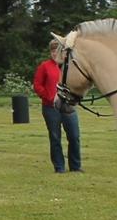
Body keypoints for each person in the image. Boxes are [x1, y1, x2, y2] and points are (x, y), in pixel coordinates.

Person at [32, 39, 82, 173]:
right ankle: (59, 167)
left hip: (68, 106)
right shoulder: (45, 66)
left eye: (58, 51)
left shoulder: (70, 66)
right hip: (51, 107)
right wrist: (48, 96)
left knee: (74, 136)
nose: (55, 54)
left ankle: (75, 166)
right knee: (55, 137)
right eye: (53, 51)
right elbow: (37, 85)